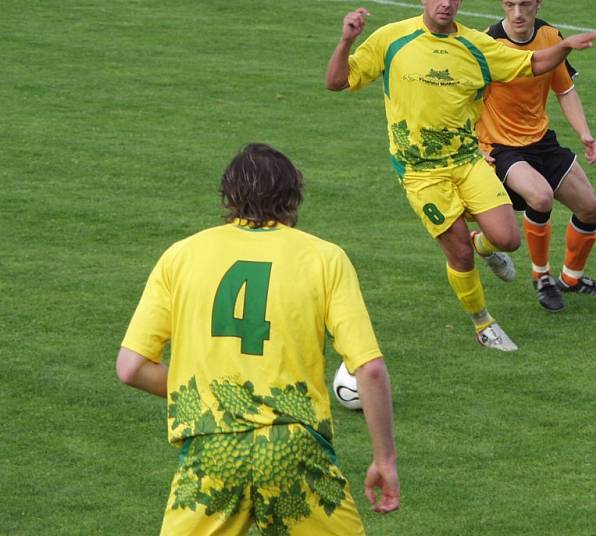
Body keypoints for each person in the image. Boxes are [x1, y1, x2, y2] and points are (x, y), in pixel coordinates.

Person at [116, 143, 399, 535]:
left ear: (229, 195)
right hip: (293, 449)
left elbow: (131, 367)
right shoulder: (324, 258)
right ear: (292, 196)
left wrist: (205, 394)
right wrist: (385, 460)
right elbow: (369, 370)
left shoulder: (180, 256)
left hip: (213, 451)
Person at [325, 0, 596, 349]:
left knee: (508, 239)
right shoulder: (391, 38)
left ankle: (486, 248)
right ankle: (483, 324)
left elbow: (532, 65)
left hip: (468, 160)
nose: (446, 3)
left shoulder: (477, 45)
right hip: (420, 170)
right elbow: (337, 82)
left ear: (462, 1)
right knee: (458, 251)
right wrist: (346, 41)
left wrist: (566, 46)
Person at [476, 0, 596, 313]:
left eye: (525, 4)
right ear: (502, 4)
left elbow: (564, 89)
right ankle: (542, 277)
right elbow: (465, 100)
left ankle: (572, 278)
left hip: (540, 141)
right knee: (540, 196)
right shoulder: (486, 44)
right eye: (510, 5)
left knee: (591, 208)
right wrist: (477, 148)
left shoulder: (550, 36)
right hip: (501, 146)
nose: (518, 13)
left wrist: (584, 132)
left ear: (539, 2)